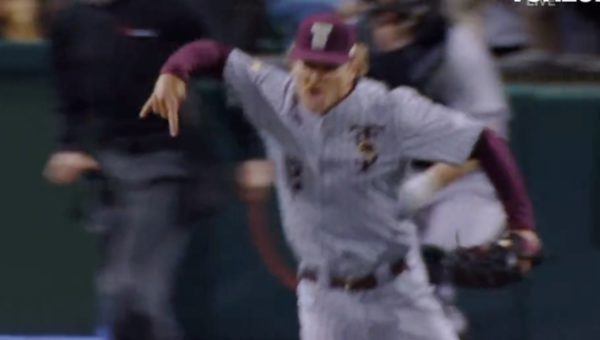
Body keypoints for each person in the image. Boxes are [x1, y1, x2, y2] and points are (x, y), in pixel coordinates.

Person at [141, 13, 541, 340]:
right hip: (324, 300)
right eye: (306, 64)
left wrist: (521, 223)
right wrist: (176, 69)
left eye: (327, 67)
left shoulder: (390, 110)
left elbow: (484, 142)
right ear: (292, 62)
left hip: (398, 292)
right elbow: (214, 52)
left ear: (355, 67)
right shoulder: (273, 94)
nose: (313, 78)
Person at [42, 0, 249, 338]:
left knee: (132, 288)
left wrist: (250, 150)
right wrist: (69, 145)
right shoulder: (71, 22)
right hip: (111, 169)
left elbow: (228, 72)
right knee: (123, 291)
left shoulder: (171, 12)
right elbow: (68, 95)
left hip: (172, 164)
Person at [363, 0, 511, 333]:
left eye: (397, 17)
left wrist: (425, 186)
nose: (387, 26)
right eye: (381, 16)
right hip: (388, 175)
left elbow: (485, 141)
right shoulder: (354, 43)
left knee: (430, 266)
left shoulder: (456, 47)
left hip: (460, 182)